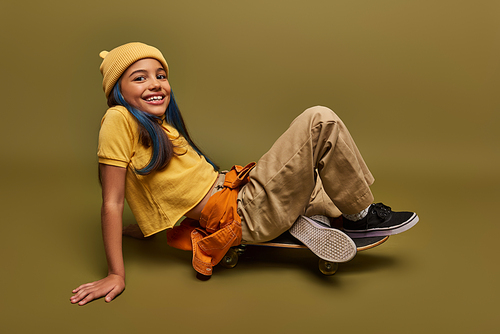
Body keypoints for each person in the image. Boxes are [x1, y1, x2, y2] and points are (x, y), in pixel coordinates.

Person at [70, 42, 419, 306]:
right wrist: (116, 273)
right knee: (319, 119)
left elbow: (162, 189)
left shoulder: (157, 126)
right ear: (118, 90)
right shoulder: (118, 119)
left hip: (238, 190)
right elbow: (112, 200)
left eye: (161, 75)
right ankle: (358, 216)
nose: (156, 83)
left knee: (325, 184)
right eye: (139, 78)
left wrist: (146, 227)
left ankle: (309, 219)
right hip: (240, 213)